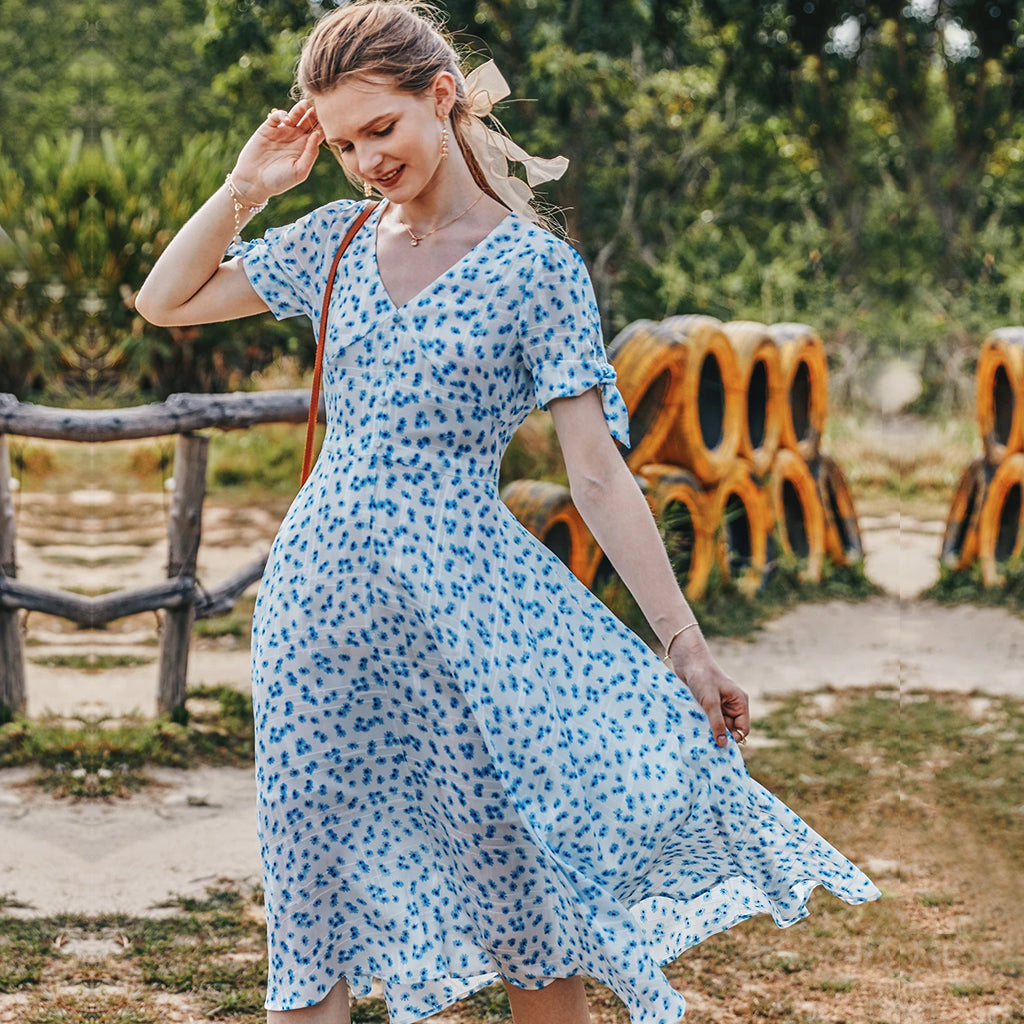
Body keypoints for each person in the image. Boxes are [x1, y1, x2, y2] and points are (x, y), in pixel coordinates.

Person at [136, 3, 880, 1022]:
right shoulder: (336, 240)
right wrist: (245, 187)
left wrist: (685, 645)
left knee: (523, 899)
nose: (365, 160)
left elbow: (599, 477)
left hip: (463, 623)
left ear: (439, 97)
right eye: (345, 142)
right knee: (309, 905)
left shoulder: (536, 271)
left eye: (381, 129)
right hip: (314, 616)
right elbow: (164, 299)